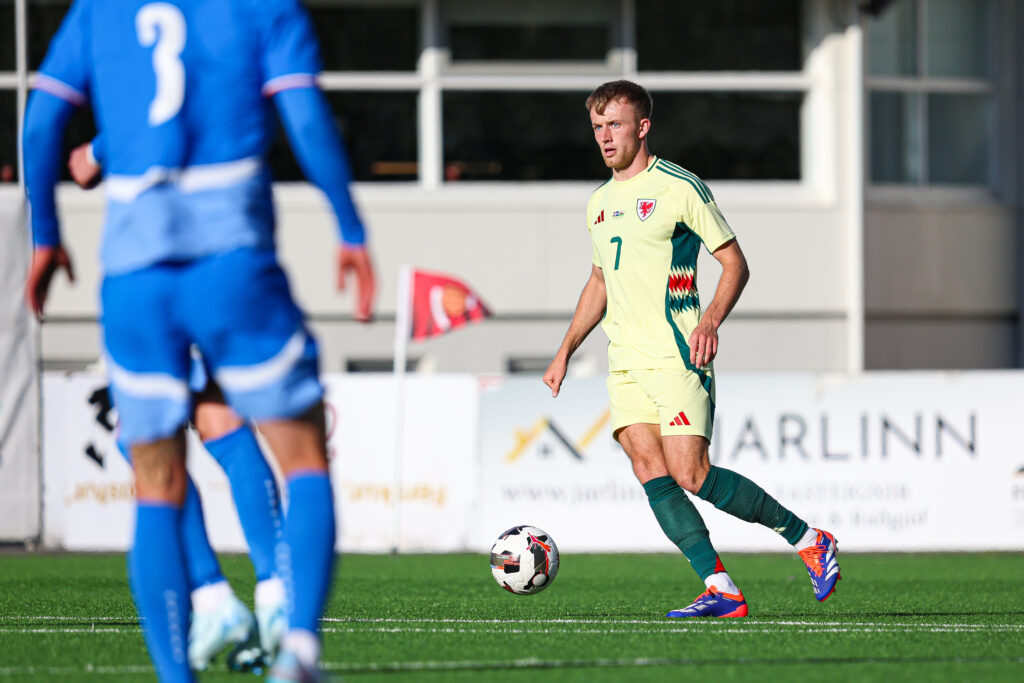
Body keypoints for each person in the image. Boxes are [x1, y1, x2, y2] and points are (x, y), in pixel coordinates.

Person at [23, 2, 376, 682]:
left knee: (154, 472)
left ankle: (197, 639)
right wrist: (349, 226)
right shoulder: (263, 8)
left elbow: (42, 123)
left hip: (134, 272)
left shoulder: (101, 11)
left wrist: (46, 234)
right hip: (230, 261)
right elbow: (301, 115)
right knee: (298, 448)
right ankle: (289, 632)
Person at [543, 80, 839, 618]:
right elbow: (599, 281)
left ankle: (808, 538)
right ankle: (721, 588)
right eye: (597, 128)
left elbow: (735, 262)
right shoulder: (599, 202)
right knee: (647, 467)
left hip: (678, 353)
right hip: (624, 361)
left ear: (643, 126)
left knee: (691, 473)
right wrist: (565, 348)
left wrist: (710, 321)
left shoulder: (680, 186)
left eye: (615, 125)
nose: (605, 138)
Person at [71, 139, 286, 672]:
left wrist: (97, 148)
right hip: (222, 262)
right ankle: (275, 591)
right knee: (220, 421)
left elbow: (84, 165)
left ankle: (220, 596)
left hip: (165, 266)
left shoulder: (148, 78)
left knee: (143, 439)